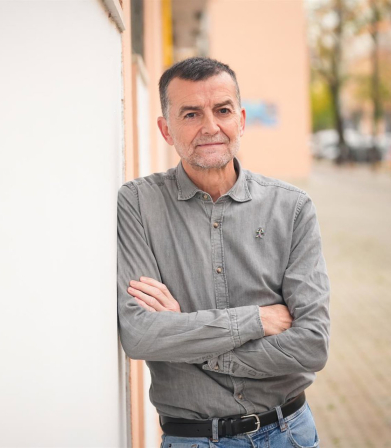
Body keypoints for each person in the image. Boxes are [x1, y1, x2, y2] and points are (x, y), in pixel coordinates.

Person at [117, 57, 330, 447]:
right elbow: (140, 334)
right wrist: (255, 320)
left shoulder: (293, 208)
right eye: (191, 114)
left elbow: (312, 344)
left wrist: (191, 340)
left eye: (223, 111)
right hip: (194, 439)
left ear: (241, 120)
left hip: (290, 433)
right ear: (166, 130)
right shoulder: (138, 205)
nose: (211, 126)